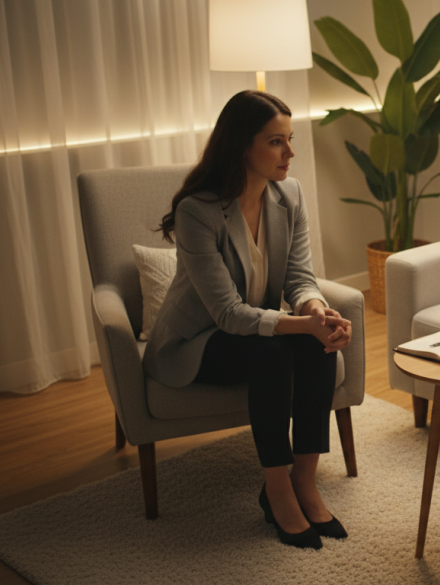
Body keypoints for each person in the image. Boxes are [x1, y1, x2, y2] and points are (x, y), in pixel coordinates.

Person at [143, 90, 352, 550]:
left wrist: (317, 311)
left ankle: (304, 480)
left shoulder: (289, 194)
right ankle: (275, 490)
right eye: (277, 142)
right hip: (197, 341)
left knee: (316, 343)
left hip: (254, 328)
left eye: (290, 139)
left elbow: (300, 278)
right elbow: (227, 313)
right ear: (242, 146)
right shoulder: (197, 210)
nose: (291, 153)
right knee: (274, 351)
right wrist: (301, 324)